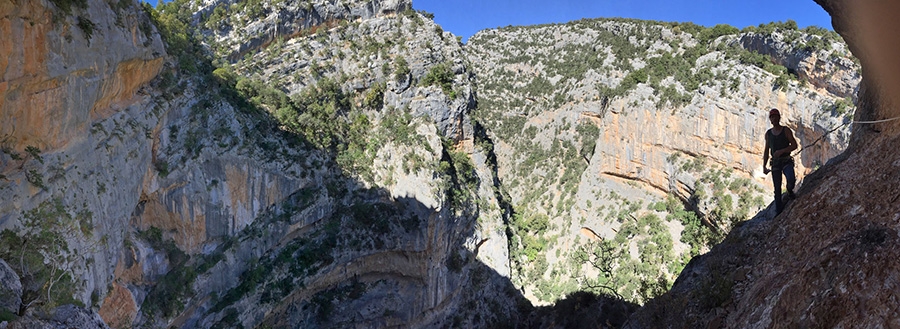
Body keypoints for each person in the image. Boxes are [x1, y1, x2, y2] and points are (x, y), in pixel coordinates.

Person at [763, 108, 797, 215]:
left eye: (775, 116)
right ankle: (779, 212)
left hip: (786, 160)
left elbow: (794, 145)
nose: (774, 119)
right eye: (772, 117)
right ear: (770, 119)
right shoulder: (768, 134)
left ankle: (789, 191)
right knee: (777, 189)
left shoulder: (786, 131)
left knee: (791, 179)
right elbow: (766, 150)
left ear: (779, 117)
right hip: (776, 163)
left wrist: (782, 151)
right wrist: (764, 165)